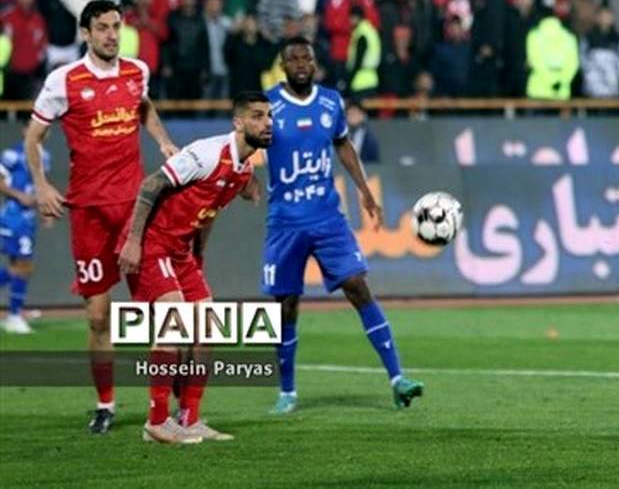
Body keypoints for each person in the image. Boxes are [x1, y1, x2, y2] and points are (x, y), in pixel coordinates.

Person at [25, 0, 178, 434]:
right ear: (85, 34)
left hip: (134, 209)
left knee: (162, 307)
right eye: (103, 28)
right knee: (97, 316)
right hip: (89, 212)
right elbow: (34, 137)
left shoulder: (136, 72)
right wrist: (41, 184)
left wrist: (163, 141)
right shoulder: (64, 81)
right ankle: (106, 403)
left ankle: (165, 404)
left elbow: (144, 108)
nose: (112, 35)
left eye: (116, 26)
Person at [262, 37, 423, 414]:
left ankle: (398, 379)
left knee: (357, 286)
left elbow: (343, 145)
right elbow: (247, 144)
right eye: (293, 59)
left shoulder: (331, 102)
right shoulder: (268, 105)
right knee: (286, 305)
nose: (301, 64)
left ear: (315, 63)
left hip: (327, 218)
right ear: (283, 66)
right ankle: (287, 392)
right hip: (285, 221)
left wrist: (364, 190)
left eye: (307, 58)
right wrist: (244, 179)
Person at [115, 92, 272, 444]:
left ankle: (189, 418)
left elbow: (207, 214)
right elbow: (151, 185)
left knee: (207, 328)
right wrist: (134, 241)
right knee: (175, 321)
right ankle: (156, 421)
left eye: (269, 116)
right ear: (238, 123)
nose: (267, 123)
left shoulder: (243, 169)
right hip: (151, 242)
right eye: (258, 116)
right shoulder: (207, 153)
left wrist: (197, 258)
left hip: (179, 251)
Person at [0, 121, 47, 334]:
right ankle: (14, 315)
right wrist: (19, 196)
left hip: (28, 219)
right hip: (13, 217)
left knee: (20, 266)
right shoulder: (12, 154)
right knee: (23, 266)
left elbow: (40, 187)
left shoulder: (44, 156)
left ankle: (15, 313)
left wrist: (45, 210)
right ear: (25, 130)